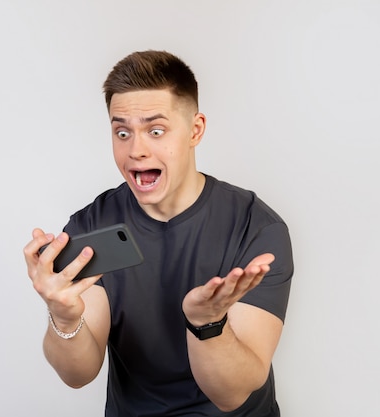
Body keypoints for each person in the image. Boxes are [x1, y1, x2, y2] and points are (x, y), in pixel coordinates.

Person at [23, 50, 293, 417]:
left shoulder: (256, 227)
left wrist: (207, 324)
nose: (136, 149)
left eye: (155, 130)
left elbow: (233, 394)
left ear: (195, 130)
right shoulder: (90, 228)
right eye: (122, 132)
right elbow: (77, 374)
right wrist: (64, 316)